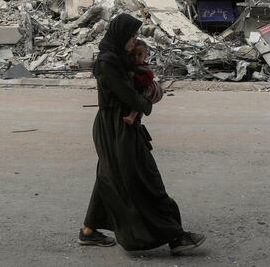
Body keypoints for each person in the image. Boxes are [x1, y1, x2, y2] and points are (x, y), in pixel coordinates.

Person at [78, 13, 205, 254]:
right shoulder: (108, 62)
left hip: (117, 126)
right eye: (132, 36)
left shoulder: (119, 58)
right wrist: (148, 101)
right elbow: (128, 95)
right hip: (117, 127)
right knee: (144, 179)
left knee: (109, 175)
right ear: (121, 35)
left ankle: (88, 230)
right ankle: (174, 235)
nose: (135, 41)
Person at [123, 41, 163, 126]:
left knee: (140, 98)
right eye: (133, 55)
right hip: (139, 88)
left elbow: (147, 80)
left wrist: (135, 77)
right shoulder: (131, 66)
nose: (136, 57)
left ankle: (132, 117)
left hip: (147, 89)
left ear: (145, 56)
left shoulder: (145, 69)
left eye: (139, 55)